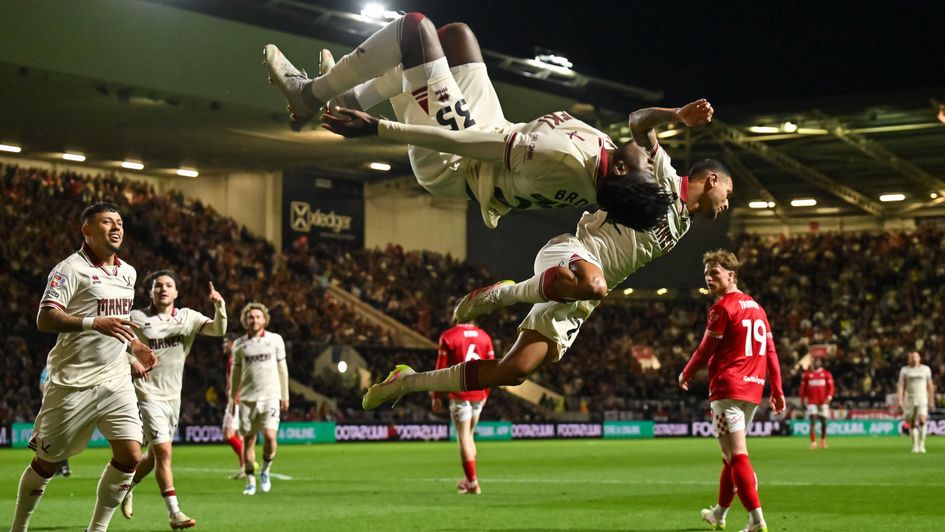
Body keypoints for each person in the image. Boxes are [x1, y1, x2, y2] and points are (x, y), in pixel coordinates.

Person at [361, 109, 733, 410]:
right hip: (575, 255)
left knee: (514, 371)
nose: (727, 204)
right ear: (712, 180)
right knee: (594, 283)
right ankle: (500, 295)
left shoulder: (684, 224)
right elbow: (637, 121)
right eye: (728, 194)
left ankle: (406, 382)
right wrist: (676, 115)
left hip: (583, 297)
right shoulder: (661, 173)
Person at [264, 13, 715, 230]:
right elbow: (639, 129)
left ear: (620, 170)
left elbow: (469, 146)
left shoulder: (561, 159)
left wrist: (377, 128)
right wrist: (675, 114)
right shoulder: (605, 165)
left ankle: (311, 96)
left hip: (457, 158)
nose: (649, 156)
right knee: (455, 37)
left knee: (414, 31)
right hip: (490, 126)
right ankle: (345, 93)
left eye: (643, 165)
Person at [10, 202, 157, 532]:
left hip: (115, 377)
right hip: (73, 380)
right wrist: (93, 322)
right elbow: (45, 318)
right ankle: (18, 527)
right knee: (47, 462)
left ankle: (97, 529)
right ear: (87, 231)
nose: (116, 227)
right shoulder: (69, 269)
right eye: (106, 222)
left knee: (131, 456)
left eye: (119, 222)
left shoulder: (128, 272)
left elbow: (116, 323)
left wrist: (133, 345)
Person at [677, 250, 785, 532]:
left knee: (737, 456)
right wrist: (777, 388)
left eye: (715, 273)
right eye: (706, 274)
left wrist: (686, 372)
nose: (709, 278)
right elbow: (771, 351)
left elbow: (705, 349)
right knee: (730, 457)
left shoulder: (722, 308)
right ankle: (719, 514)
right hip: (752, 390)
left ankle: (755, 519)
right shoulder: (758, 308)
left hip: (728, 389)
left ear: (731, 275)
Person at [119, 271, 228, 529]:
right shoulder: (137, 318)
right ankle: (174, 513)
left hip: (172, 397)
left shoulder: (187, 317)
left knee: (154, 456)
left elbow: (218, 330)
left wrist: (219, 306)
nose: (163, 289)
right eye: (158, 286)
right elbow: (113, 347)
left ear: (176, 293)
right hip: (145, 394)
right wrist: (131, 359)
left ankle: (127, 486)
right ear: (151, 293)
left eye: (169, 285)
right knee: (164, 452)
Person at [229, 302, 289, 495]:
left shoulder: (275, 340)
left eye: (257, 317)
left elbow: (282, 370)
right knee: (249, 441)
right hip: (247, 399)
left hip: (270, 397)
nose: (253, 320)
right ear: (245, 320)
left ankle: (265, 470)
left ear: (264, 319)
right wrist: (232, 398)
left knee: (270, 437)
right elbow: (235, 374)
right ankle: (250, 481)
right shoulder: (239, 345)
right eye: (250, 317)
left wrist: (284, 395)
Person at [431, 323, 495, 495]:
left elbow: (440, 369)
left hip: (460, 392)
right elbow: (492, 367)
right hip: (480, 393)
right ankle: (469, 480)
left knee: (464, 437)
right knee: (470, 435)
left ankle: (473, 483)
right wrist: (486, 393)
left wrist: (436, 396)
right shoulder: (484, 336)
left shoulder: (449, 336)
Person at [221, 336, 249, 478]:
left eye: (226, 343)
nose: (224, 345)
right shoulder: (234, 360)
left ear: (233, 344)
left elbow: (238, 382)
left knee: (228, 434)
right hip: (237, 400)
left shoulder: (233, 361)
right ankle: (244, 468)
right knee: (239, 435)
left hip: (235, 401)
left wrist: (233, 400)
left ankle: (248, 461)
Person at [38, 366, 71, 477]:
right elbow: (42, 385)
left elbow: (42, 384)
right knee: (54, 438)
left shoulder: (65, 365)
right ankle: (59, 467)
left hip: (62, 406)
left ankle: (63, 466)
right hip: (54, 407)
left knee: (59, 437)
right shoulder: (49, 367)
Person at [898, 350, 934, 453]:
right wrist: (900, 400)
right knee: (912, 422)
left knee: (922, 420)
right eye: (912, 357)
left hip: (922, 398)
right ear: (909, 358)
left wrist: (931, 400)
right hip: (909, 398)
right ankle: (915, 445)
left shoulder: (925, 369)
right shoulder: (904, 370)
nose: (914, 358)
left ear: (919, 358)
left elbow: (930, 385)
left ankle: (922, 444)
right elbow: (901, 385)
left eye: (916, 356)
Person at [799, 356, 834, 449]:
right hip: (811, 402)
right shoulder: (806, 375)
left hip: (823, 402)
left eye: (817, 361)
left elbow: (831, 388)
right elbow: (802, 390)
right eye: (814, 361)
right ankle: (813, 442)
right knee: (812, 421)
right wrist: (802, 401)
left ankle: (823, 439)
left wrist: (829, 398)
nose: (815, 363)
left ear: (820, 363)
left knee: (824, 422)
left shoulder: (826, 374)